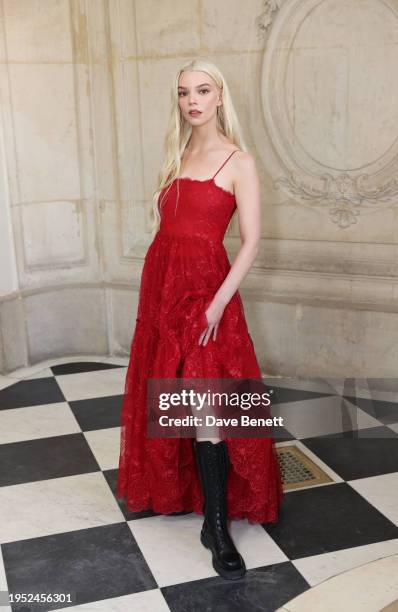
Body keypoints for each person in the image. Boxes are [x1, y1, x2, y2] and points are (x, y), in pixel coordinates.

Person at [116, 58, 283, 581]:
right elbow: (168, 230)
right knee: (176, 394)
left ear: (219, 96)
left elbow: (252, 241)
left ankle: (216, 527)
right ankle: (179, 492)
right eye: (185, 92)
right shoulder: (177, 152)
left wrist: (216, 303)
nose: (193, 100)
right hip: (163, 287)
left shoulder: (239, 161)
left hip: (209, 293)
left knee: (209, 404)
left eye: (203, 91)